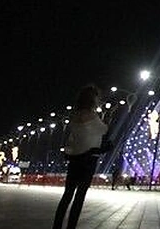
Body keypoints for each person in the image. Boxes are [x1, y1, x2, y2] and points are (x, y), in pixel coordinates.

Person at [52, 85, 107, 229]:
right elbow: (103, 130)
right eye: (97, 97)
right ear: (92, 99)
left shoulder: (75, 115)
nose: (98, 99)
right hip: (88, 159)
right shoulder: (92, 115)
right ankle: (71, 226)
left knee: (67, 195)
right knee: (79, 197)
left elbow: (76, 137)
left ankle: (57, 226)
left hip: (74, 159)